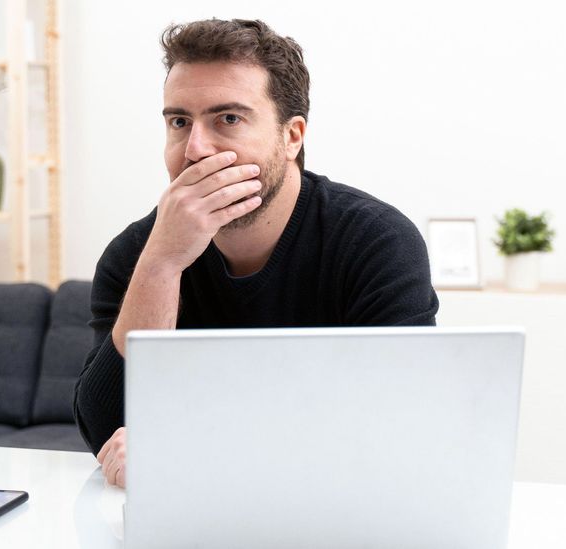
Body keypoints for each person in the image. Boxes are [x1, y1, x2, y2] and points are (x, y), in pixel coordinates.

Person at [74, 18, 439, 488]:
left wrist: (191, 447)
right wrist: (162, 266)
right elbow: (108, 438)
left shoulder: (376, 241)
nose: (195, 150)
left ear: (292, 137)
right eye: (179, 122)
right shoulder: (136, 256)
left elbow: (401, 426)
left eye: (228, 119)